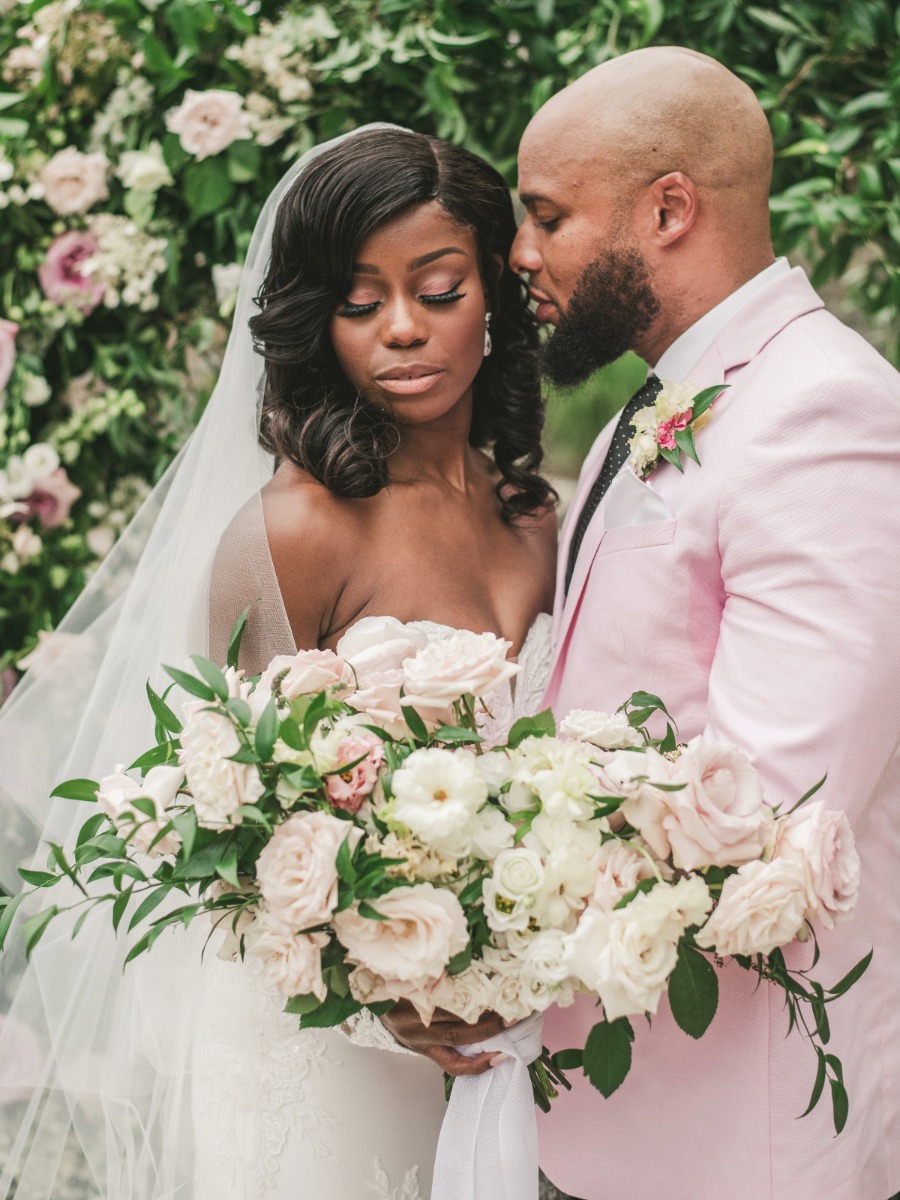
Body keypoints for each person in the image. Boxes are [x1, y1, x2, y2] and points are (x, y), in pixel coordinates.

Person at [0, 125, 557, 1199]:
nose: (402, 329)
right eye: (359, 304)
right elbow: (240, 828)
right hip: (325, 1044)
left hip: (506, 1035)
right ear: (318, 320)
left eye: (439, 290)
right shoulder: (296, 533)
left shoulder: (537, 515)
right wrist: (388, 994)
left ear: (494, 288)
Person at [509, 46, 900, 1200]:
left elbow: (775, 806)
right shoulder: (674, 393)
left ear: (669, 208)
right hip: (617, 1095)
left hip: (739, 1130)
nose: (521, 254)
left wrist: (488, 912)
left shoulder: (820, 411)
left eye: (547, 216)